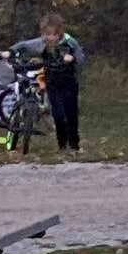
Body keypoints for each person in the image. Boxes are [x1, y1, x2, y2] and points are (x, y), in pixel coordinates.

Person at [30, 16, 84, 154]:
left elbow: (81, 58)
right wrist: (11, 51)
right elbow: (25, 45)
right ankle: (62, 145)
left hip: (69, 82)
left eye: (51, 34)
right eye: (45, 34)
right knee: (58, 114)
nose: (48, 38)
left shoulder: (70, 42)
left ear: (58, 33)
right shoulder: (42, 43)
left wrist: (72, 59)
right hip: (52, 83)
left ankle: (74, 145)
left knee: (71, 114)